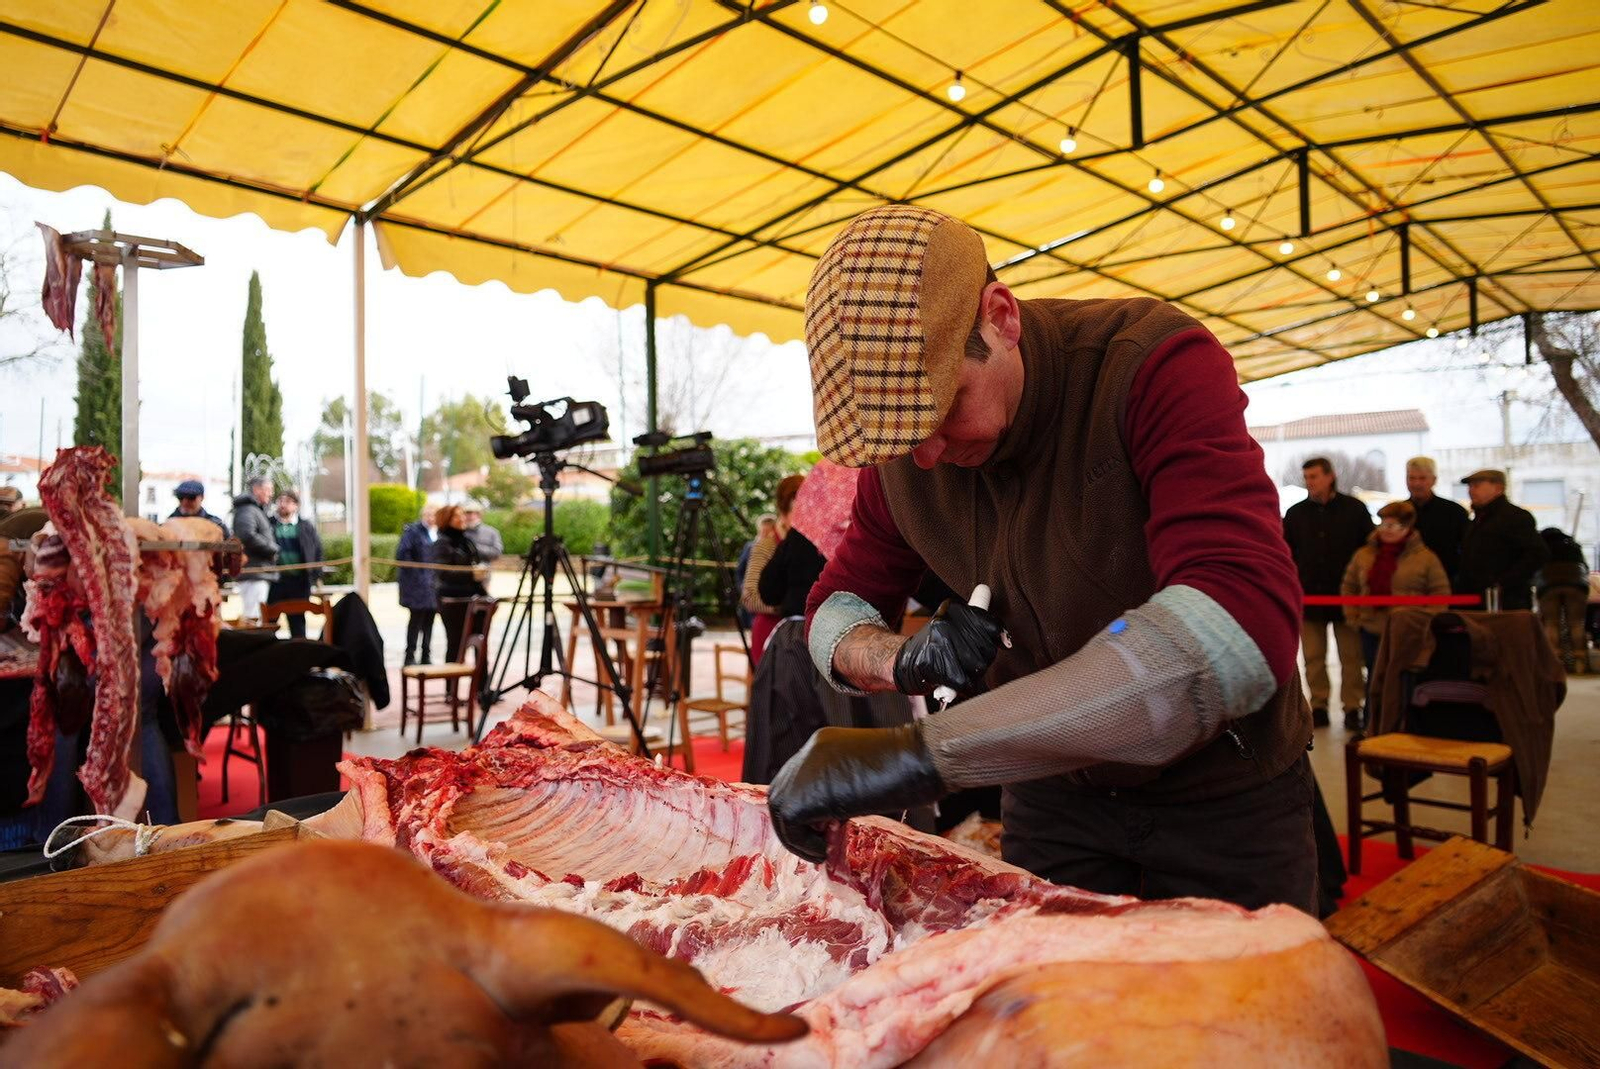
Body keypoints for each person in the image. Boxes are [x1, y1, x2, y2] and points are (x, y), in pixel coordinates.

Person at [767, 205, 1314, 913]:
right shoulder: (907, 453)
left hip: (1223, 792)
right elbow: (833, 612)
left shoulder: (1148, 364)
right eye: (901, 433)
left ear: (1000, 318)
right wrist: (903, 659)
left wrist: (922, 752)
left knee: (1245, 985)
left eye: (944, 407)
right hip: (1053, 798)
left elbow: (1234, 627)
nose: (926, 455)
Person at [1340, 500, 1450, 726]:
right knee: (1374, 677)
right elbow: (1349, 586)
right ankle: (1372, 723)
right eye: (1383, 524)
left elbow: (1440, 593)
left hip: (1409, 632)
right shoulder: (1364, 555)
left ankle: (1405, 723)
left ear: (1407, 527)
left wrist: (1427, 622)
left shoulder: (1426, 558)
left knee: (1405, 678)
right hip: (1372, 629)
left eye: (1393, 525)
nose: (1386, 530)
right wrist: (1353, 616)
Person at [1283, 457, 1374, 731]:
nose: (1309, 482)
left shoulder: (1354, 509)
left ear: (1329, 476)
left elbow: (1369, 549)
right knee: (1313, 657)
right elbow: (1287, 552)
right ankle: (1319, 705)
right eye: (1306, 477)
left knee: (1351, 657)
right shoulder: (1296, 514)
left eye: (1314, 476)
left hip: (1347, 598)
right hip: (1309, 596)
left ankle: (1352, 706)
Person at [1457, 470, 1548, 611]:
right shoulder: (1477, 520)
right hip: (1477, 599)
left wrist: (1502, 582)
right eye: (1470, 486)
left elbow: (1537, 554)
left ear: (1498, 488)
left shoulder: (1515, 517)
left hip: (1507, 601)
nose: (1471, 491)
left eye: (1477, 486)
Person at [742, 476, 805, 664]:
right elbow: (749, 596)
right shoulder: (767, 545)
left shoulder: (813, 543)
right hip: (771, 632)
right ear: (783, 511)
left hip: (803, 634)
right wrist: (786, 606)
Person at [432, 504, 488, 662]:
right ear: (447, 520)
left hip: (473, 598)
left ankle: (482, 678)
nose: (462, 518)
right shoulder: (442, 543)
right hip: (453, 602)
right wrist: (471, 574)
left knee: (481, 643)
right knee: (456, 644)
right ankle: (452, 678)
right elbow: (443, 574)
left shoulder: (467, 542)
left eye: (462, 514)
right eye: (457, 515)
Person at [265, 490, 324, 639]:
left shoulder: (306, 526)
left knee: (298, 623)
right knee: (269, 623)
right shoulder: (269, 524)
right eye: (280, 500)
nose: (282, 504)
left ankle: (299, 651)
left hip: (299, 582)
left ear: (296, 505)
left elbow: (317, 551)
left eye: (287, 501)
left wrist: (315, 575)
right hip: (276, 582)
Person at [1404, 457, 1467, 583]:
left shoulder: (1455, 512)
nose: (1416, 484)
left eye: (1422, 478)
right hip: (1407, 580)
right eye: (1412, 478)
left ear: (1434, 480)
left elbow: (1466, 549)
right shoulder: (1398, 512)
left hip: (1447, 579)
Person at [1535, 526, 1589, 672]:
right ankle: (1579, 661)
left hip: (1548, 586)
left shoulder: (1542, 547)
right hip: (1576, 586)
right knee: (1576, 623)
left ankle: (1555, 661)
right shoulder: (1573, 546)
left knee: (1551, 623)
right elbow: (1585, 567)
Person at [397, 504, 441, 665]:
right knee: (416, 620)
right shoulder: (412, 532)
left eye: (433, 515)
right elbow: (403, 555)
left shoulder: (438, 534)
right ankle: (410, 655)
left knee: (430, 620)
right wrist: (419, 577)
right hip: (417, 586)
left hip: (433, 586)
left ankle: (426, 654)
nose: (430, 518)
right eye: (428, 514)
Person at [231, 477, 278, 623]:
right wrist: (272, 548)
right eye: (268, 489)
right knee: (253, 617)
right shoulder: (247, 510)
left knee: (256, 616)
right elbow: (246, 535)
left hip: (258, 571)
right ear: (257, 489)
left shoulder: (253, 509)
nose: (271, 494)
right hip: (254, 571)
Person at [734, 515, 778, 632]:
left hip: (767, 599)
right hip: (751, 594)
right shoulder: (750, 547)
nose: (765, 534)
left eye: (768, 531)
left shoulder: (778, 548)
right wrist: (742, 588)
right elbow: (740, 570)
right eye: (763, 531)